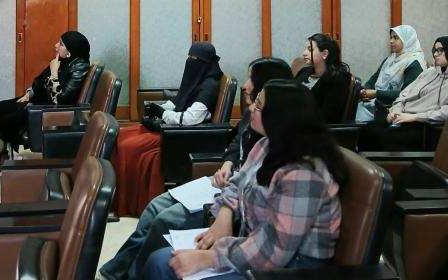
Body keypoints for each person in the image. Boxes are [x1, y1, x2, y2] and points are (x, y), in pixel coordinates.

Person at [98, 57, 293, 280]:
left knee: (164, 221)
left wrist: (225, 214)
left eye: (251, 79)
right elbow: (236, 146)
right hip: (225, 187)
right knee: (154, 207)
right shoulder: (256, 123)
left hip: (236, 208)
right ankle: (116, 272)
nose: (246, 85)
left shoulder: (288, 156)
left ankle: (131, 275)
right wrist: (228, 164)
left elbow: (276, 242)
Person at [143, 80, 347, 279]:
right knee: (160, 259)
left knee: (163, 265)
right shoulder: (266, 145)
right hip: (252, 242)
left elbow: (275, 250)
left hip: (290, 268)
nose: (250, 108)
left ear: (279, 117)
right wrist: (224, 215)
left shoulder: (304, 175)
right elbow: (236, 183)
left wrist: (209, 258)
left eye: (257, 105)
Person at [114, 42, 222, 218]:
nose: (190, 61)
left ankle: (126, 204)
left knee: (127, 146)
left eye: (195, 59)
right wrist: (160, 108)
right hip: (171, 129)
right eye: (189, 57)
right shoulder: (197, 78)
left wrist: (163, 114)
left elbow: (190, 119)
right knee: (121, 135)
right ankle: (114, 197)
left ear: (206, 62)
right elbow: (180, 100)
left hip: (180, 136)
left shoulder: (209, 85)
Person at [0, 30, 90, 151]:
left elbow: (61, 100)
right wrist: (29, 93)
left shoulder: (80, 68)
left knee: (4, 122)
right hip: (38, 101)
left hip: (48, 110)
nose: (56, 45)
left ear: (70, 52)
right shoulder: (62, 61)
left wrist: (54, 73)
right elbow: (40, 80)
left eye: (61, 44)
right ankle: (1, 148)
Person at [359, 36, 448, 151]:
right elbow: (404, 94)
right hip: (401, 117)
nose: (435, 54)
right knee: (367, 130)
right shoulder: (429, 73)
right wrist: (395, 110)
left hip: (423, 125)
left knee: (383, 138)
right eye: (435, 50)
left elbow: (445, 112)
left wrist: (415, 117)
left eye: (440, 50)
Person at [356, 25, 425, 122]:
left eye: (396, 38)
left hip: (395, 110)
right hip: (376, 104)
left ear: (407, 40)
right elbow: (373, 80)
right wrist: (364, 91)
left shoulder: (414, 63)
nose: (391, 41)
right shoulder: (389, 59)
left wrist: (376, 93)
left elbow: (407, 95)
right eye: (391, 37)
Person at [295, 33, 352, 123]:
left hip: (313, 128)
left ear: (325, 54)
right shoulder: (304, 72)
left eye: (310, 50)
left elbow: (328, 117)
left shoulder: (337, 79)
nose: (304, 53)